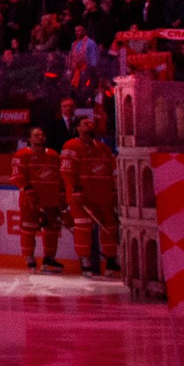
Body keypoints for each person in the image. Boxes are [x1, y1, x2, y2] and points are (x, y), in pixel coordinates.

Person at [61, 114, 119, 276]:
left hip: (103, 195)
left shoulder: (104, 149)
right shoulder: (71, 146)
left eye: (91, 122)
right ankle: (85, 261)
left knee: (110, 227)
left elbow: (111, 172)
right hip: (82, 196)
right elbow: (66, 171)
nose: (90, 124)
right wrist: (75, 189)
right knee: (83, 226)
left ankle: (111, 261)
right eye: (85, 123)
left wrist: (113, 190)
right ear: (77, 128)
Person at [13, 124, 68, 274]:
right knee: (28, 229)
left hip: (51, 198)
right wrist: (28, 188)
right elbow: (17, 176)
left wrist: (62, 194)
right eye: (36, 135)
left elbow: (61, 176)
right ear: (29, 138)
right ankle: (30, 259)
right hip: (31, 200)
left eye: (41, 134)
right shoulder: (22, 154)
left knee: (51, 230)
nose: (40, 137)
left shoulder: (53, 155)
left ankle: (49, 258)